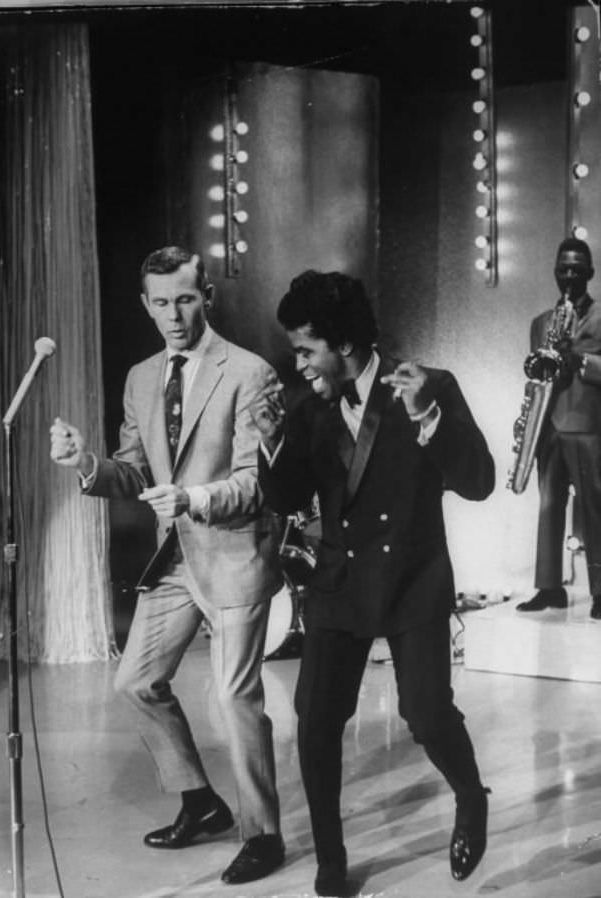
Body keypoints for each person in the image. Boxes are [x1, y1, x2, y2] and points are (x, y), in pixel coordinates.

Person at [249, 270, 495, 897]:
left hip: (413, 581)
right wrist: (272, 439)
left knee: (426, 711)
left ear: (346, 345)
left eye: (306, 349)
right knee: (315, 718)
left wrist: (429, 418)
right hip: (339, 581)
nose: (297, 363)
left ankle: (470, 796)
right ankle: (331, 858)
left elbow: (479, 481)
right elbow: (286, 496)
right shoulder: (307, 407)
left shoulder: (429, 386)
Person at [50, 246, 285, 886]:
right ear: (145, 305)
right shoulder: (140, 376)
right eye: (161, 303)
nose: (174, 315)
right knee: (135, 682)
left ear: (206, 294)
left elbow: (254, 484)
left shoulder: (251, 372)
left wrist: (192, 498)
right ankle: (200, 803)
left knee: (235, 696)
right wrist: (84, 463)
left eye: (185, 299)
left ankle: (263, 835)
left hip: (236, 552)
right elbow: (134, 472)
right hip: (175, 559)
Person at [516, 237, 601, 618]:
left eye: (577, 268)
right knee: (549, 507)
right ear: (555, 272)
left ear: (591, 272)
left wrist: (578, 360)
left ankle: (600, 592)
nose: (570, 275)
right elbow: (537, 373)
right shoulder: (540, 323)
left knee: (594, 510)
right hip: (548, 424)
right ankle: (549, 588)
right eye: (564, 268)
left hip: (588, 426)